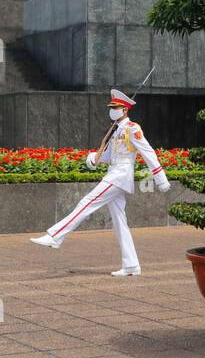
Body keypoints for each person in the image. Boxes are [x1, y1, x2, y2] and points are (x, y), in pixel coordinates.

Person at [30, 88, 170, 275]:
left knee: (87, 202)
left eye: (116, 107)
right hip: (114, 172)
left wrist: (161, 179)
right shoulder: (116, 129)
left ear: (125, 110)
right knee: (120, 221)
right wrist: (93, 158)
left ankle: (55, 236)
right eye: (112, 107)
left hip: (119, 175)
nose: (112, 110)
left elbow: (148, 152)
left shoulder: (132, 129)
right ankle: (131, 265)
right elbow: (109, 155)